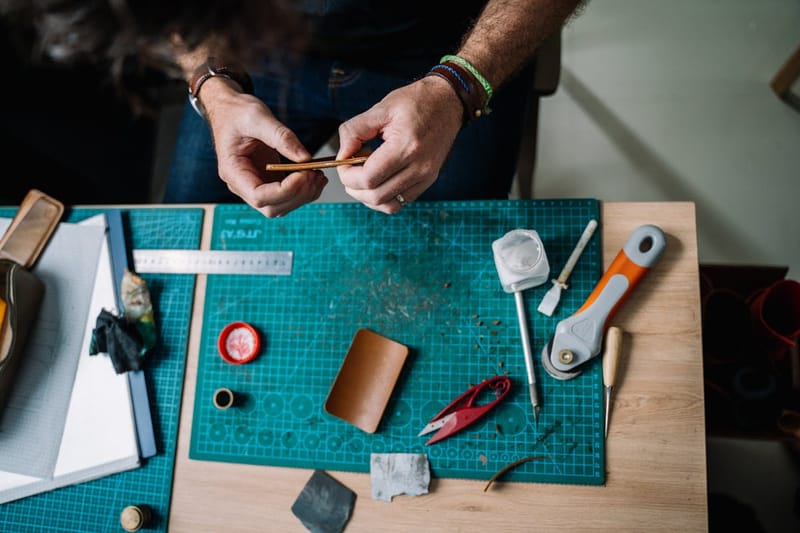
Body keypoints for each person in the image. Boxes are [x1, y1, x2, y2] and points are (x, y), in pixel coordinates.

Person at [2, 1, 584, 217]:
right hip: (254, 48)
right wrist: (214, 86)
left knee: (460, 253)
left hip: (453, 41)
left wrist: (457, 86)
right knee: (183, 237)